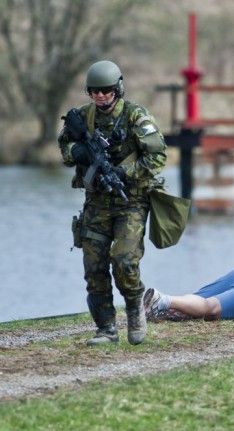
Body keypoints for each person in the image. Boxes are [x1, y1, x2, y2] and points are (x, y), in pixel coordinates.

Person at [58, 60, 167, 345]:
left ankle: (134, 307)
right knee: (93, 268)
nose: (100, 96)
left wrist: (123, 172)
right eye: (94, 91)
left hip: (130, 201)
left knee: (124, 261)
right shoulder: (83, 117)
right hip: (95, 204)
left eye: (106, 90)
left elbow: (157, 156)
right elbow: (64, 147)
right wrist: (78, 151)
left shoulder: (135, 116)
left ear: (117, 89)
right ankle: (106, 329)